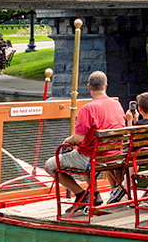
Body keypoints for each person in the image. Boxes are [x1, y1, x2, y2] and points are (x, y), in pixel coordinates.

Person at [44, 70, 128, 206]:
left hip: (93, 157)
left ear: (89, 87)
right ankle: (94, 194)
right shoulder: (117, 105)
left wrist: (67, 141)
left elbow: (77, 139)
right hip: (114, 155)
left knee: (50, 165)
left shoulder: (88, 109)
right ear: (106, 86)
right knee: (80, 152)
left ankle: (81, 194)